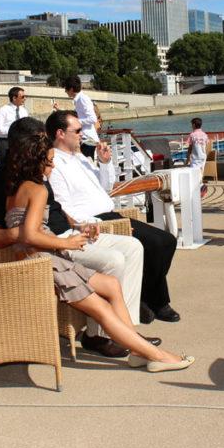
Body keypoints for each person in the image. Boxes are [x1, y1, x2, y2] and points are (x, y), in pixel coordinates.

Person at [6, 132, 193, 372]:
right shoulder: (38, 190)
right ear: (36, 162)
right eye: (49, 161)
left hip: (36, 256)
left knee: (112, 285)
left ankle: (137, 349)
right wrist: (68, 243)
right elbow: (29, 234)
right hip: (44, 261)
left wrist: (73, 230)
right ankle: (158, 356)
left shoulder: (16, 189)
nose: (52, 166)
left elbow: (23, 231)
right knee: (102, 308)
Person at [0, 116, 152, 358]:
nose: (46, 149)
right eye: (41, 143)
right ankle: (99, 336)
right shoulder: (4, 177)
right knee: (113, 261)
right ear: (26, 147)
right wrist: (30, 232)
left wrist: (80, 225)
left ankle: (127, 330)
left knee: (134, 247)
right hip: (49, 244)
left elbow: (56, 208)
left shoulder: (37, 169)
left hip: (68, 232)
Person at [46, 109, 181, 325]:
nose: (82, 134)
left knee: (166, 241)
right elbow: (62, 205)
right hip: (94, 220)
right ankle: (155, 301)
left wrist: (105, 162)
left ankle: (147, 298)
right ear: (60, 133)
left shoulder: (80, 157)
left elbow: (106, 188)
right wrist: (85, 224)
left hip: (111, 213)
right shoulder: (54, 163)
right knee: (157, 243)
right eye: (78, 130)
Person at [62, 76, 99, 158]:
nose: (65, 91)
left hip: (88, 140)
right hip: (85, 140)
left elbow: (93, 118)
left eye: (66, 89)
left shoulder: (82, 99)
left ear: (71, 89)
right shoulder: (78, 100)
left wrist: (77, 122)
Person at [0, 86, 28, 165]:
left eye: (25, 96)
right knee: (5, 167)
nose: (25, 98)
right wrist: (13, 130)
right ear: (14, 98)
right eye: (22, 97)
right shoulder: (3, 110)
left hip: (20, 143)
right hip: (5, 143)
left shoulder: (24, 111)